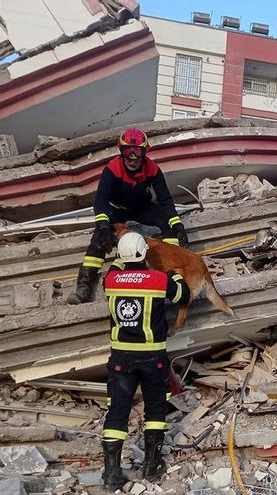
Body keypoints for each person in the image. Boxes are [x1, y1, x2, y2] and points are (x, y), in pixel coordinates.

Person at [100, 232, 190, 489]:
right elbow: (182, 295)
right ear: (143, 254)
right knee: (155, 409)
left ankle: (111, 476)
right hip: (153, 358)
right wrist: (174, 275)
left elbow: (114, 268)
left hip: (121, 360)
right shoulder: (158, 280)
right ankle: (151, 467)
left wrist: (119, 260)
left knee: (117, 412)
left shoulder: (111, 281)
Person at [67, 128, 188, 305]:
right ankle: (84, 285)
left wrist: (178, 224)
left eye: (137, 153)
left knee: (168, 224)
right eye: (127, 152)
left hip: (143, 207)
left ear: (144, 152)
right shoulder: (112, 169)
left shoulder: (152, 168)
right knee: (99, 239)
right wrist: (102, 226)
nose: (132, 158)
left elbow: (165, 199)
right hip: (117, 210)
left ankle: (176, 270)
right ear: (121, 151)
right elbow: (101, 201)